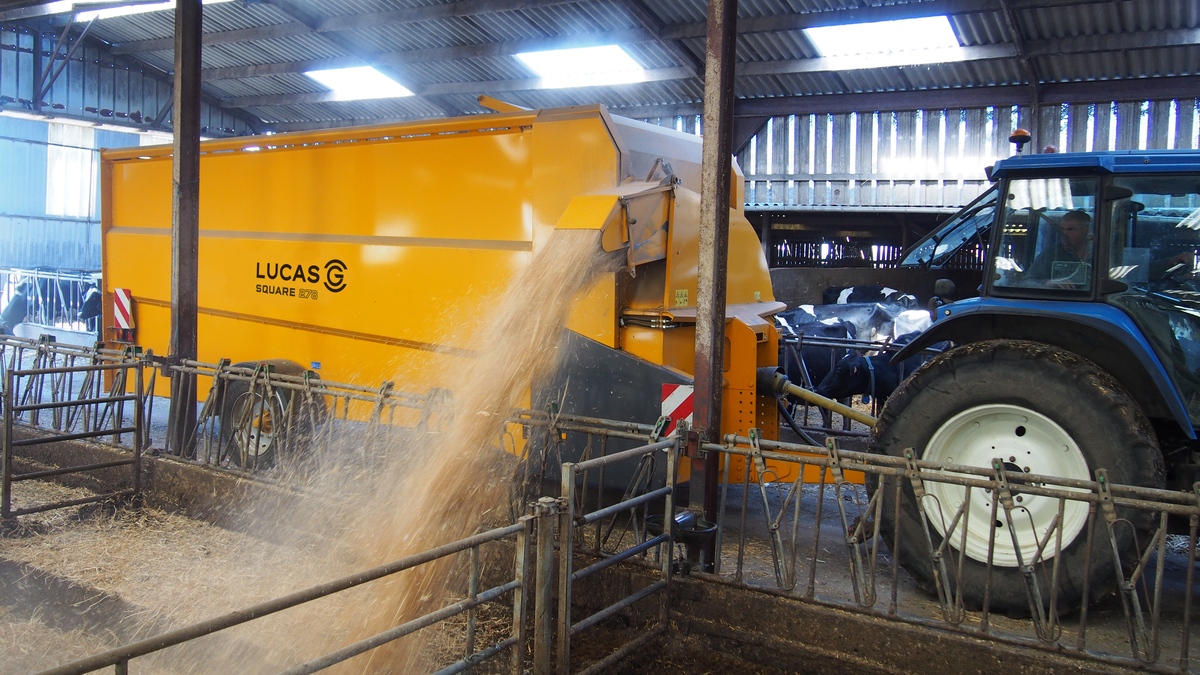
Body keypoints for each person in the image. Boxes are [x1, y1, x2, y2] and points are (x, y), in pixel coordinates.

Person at [1027, 210, 1092, 285]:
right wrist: (1048, 283)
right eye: (1062, 230)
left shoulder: (1099, 253)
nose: (1064, 236)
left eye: (1070, 230)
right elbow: (1026, 282)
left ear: (1086, 230)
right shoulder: (1052, 254)